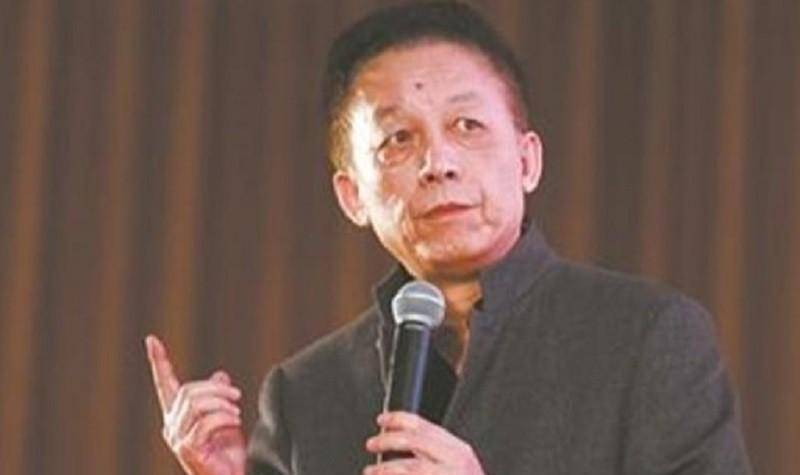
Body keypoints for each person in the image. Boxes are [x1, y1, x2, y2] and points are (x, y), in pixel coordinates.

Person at [145, 2, 752, 474]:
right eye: (398, 140)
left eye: (467, 125)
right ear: (352, 195)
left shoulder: (646, 337)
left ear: (528, 161)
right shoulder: (306, 393)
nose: (438, 163)